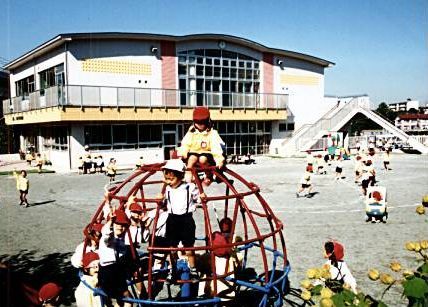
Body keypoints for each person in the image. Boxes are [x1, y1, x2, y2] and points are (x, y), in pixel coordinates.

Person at [160, 159, 203, 282]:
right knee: (172, 248)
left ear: (180, 176)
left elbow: (198, 199)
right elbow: (164, 204)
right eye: (167, 178)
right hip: (172, 219)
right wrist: (160, 199)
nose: (168, 181)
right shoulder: (167, 189)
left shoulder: (190, 187)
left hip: (186, 219)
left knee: (189, 247)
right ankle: (172, 270)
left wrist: (201, 198)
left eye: (171, 179)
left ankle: (193, 270)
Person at [178, 107, 225, 185]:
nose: (200, 126)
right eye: (198, 123)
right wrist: (182, 154)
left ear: (207, 122)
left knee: (202, 159)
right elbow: (186, 144)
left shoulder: (212, 133)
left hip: (208, 154)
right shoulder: (191, 132)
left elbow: (216, 147)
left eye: (202, 123)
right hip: (194, 153)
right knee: (191, 158)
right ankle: (188, 175)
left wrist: (219, 160)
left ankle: (209, 175)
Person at [98, 210, 133, 307]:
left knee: (124, 299)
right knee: (127, 298)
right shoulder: (108, 239)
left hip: (116, 270)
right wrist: (110, 222)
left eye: (123, 225)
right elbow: (106, 235)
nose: (120, 227)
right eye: (117, 224)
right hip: (108, 272)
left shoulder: (120, 240)